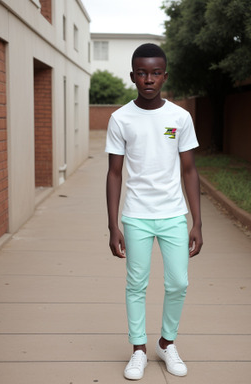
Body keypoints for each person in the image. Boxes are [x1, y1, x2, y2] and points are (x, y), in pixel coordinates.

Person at [105, 43, 203, 380]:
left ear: (164, 75)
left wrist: (197, 222)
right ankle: (138, 350)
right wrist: (112, 225)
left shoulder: (179, 117)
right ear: (133, 76)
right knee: (136, 284)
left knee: (178, 282)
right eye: (142, 73)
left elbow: (189, 170)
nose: (149, 79)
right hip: (136, 216)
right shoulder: (120, 118)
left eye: (156, 73)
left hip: (174, 214)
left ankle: (166, 342)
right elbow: (114, 173)